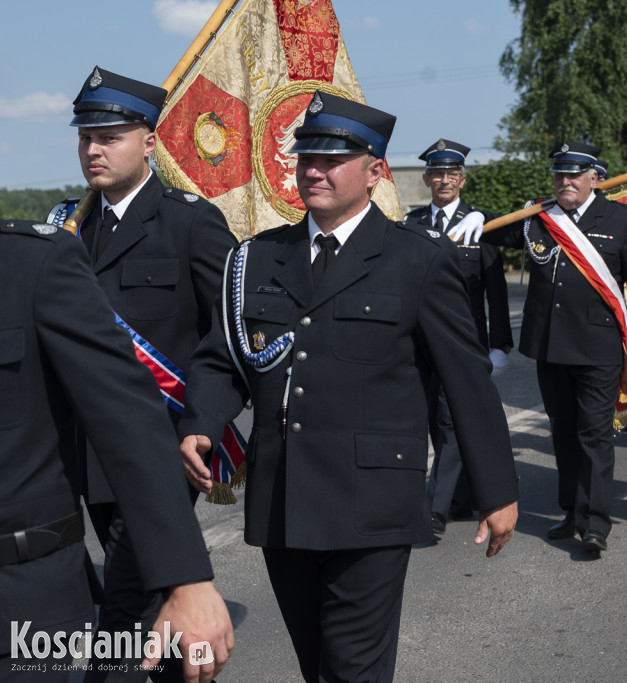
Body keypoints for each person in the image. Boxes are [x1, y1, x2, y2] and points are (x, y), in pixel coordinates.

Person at [178, 92, 519, 682]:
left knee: (352, 670)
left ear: (375, 171)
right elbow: (222, 359)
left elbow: (467, 381)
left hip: (373, 502)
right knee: (318, 666)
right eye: (305, 156)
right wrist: (202, 424)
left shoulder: (419, 260)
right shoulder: (259, 257)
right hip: (283, 499)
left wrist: (496, 489)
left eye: (332, 158)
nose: (314, 170)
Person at [55, 66, 238, 682]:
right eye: (85, 137)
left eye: (110, 136)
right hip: (84, 449)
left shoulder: (189, 221)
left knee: (126, 595)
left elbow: (227, 335)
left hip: (162, 446)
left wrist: (204, 420)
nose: (94, 149)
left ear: (150, 142)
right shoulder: (67, 229)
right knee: (152, 593)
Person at [0, 219, 232, 683]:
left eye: (109, 137)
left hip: (18, 594)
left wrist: (185, 578)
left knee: (128, 615)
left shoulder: (31, 260)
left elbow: (132, 423)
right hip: (87, 480)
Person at [458, 140, 627, 554]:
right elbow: (496, 227)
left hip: (597, 349)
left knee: (594, 434)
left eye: (575, 173)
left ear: (595, 177)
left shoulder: (622, 219)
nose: (566, 180)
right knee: (564, 434)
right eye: (560, 173)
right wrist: (477, 217)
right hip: (551, 346)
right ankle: (572, 511)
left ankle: (595, 524)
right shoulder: (537, 216)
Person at [404, 138, 513, 536]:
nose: (444, 180)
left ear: (462, 181)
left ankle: (435, 508)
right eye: (438, 173)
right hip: (420, 343)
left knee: (451, 423)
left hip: (463, 343)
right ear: (427, 178)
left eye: (452, 174)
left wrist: (500, 344)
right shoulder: (412, 225)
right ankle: (462, 499)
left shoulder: (482, 224)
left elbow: (495, 292)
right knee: (433, 419)